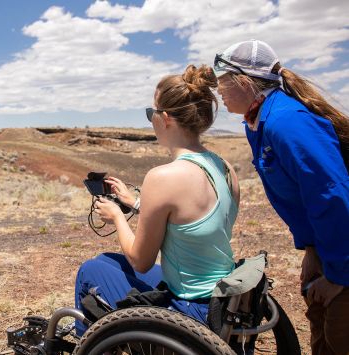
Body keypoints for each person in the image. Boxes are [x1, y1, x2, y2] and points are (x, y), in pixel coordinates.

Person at [74, 64, 240, 336]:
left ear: (165, 118)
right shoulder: (225, 168)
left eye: (150, 112)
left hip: (190, 308)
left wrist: (117, 216)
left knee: (90, 271)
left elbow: (142, 261)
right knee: (107, 261)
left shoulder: (163, 177)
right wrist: (137, 204)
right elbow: (194, 223)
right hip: (220, 298)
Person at [214, 39, 349, 354]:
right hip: (330, 250)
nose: (218, 91)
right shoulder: (259, 123)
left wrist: (339, 274)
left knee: (339, 335)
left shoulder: (286, 123)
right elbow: (304, 199)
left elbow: (333, 196)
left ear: (244, 82)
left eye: (222, 82)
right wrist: (313, 250)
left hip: (345, 254)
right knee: (322, 332)